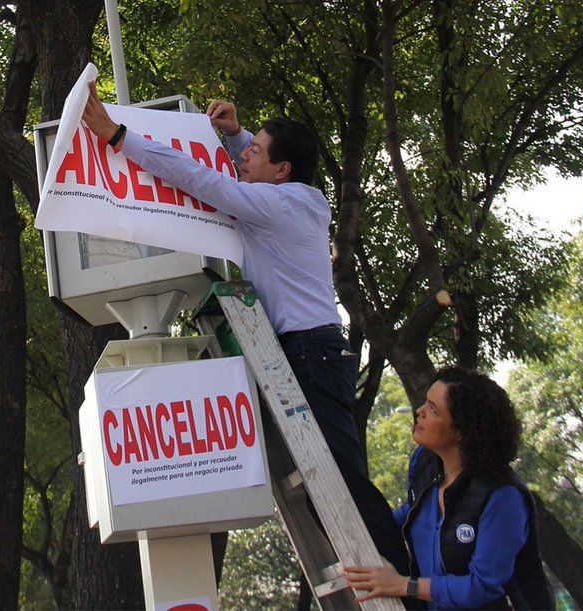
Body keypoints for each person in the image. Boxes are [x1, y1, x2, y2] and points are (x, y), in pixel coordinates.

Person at [80, 84, 411, 575]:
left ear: (281, 171)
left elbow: (202, 180)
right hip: (311, 350)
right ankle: (389, 573)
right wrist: (236, 136)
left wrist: (117, 135)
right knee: (330, 485)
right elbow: (247, 171)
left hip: (311, 353)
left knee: (340, 484)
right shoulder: (295, 198)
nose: (242, 154)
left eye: (254, 151)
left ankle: (401, 580)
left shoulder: (276, 206)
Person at [345, 367, 553, 610]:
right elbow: (411, 514)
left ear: (463, 431)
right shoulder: (425, 465)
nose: (419, 412)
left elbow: (482, 587)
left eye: (432, 409)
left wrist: (404, 585)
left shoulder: (502, 496)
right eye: (425, 403)